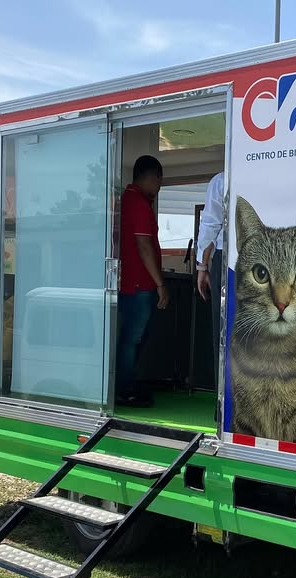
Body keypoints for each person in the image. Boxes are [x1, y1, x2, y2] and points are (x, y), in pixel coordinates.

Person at [117, 155, 168, 407]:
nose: (158, 188)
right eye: (159, 182)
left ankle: (127, 386)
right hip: (138, 285)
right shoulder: (137, 203)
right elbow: (144, 245)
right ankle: (125, 390)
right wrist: (160, 283)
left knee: (131, 337)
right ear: (151, 178)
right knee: (132, 338)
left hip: (133, 284)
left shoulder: (128, 200)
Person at [196, 171, 225, 383]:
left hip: (227, 257)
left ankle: (223, 403)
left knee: (222, 331)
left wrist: (202, 266)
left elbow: (211, 224)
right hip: (266, 253)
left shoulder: (222, 180)